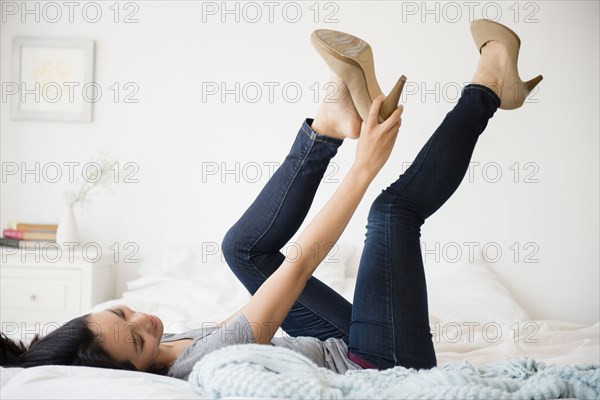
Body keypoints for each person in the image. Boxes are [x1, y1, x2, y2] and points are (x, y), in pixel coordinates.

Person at [0, 20, 542, 379]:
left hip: (340, 346)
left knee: (241, 251)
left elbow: (275, 284)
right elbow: (301, 263)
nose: (148, 321)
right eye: (138, 342)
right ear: (138, 373)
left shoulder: (165, 343)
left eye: (123, 310)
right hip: (380, 362)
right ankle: (491, 88)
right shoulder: (197, 363)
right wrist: (363, 169)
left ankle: (329, 128)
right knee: (392, 211)